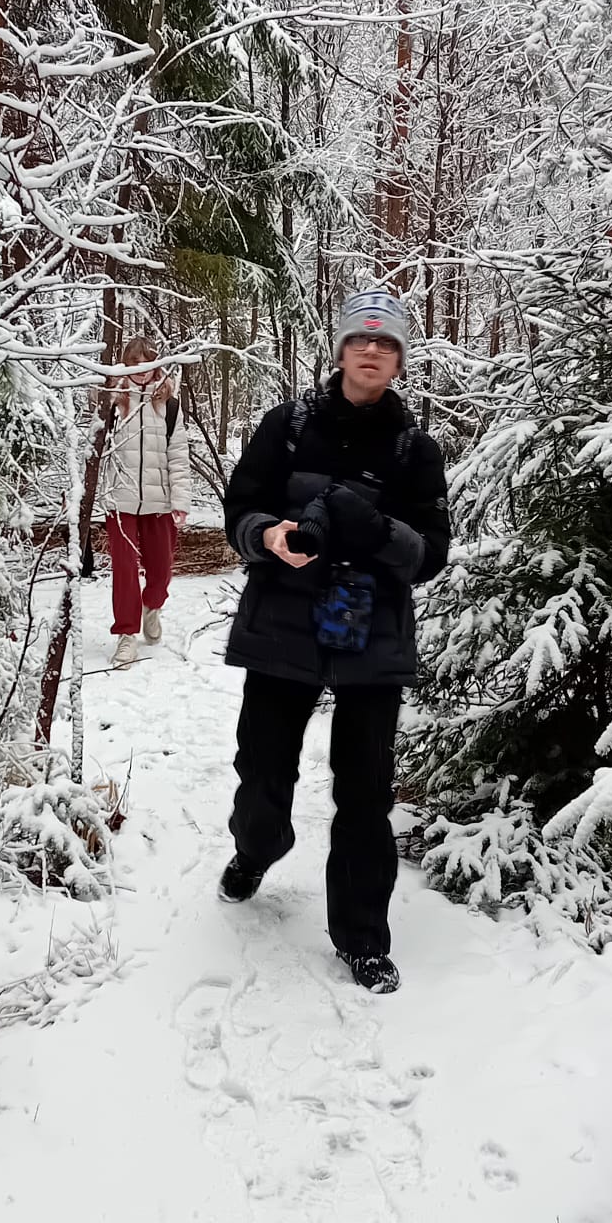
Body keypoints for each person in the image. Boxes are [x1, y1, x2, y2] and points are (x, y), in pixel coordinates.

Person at [218, 288, 450, 994]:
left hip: (372, 627)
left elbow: (432, 553)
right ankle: (257, 849)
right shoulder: (287, 426)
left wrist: (376, 531)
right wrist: (267, 536)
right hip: (283, 617)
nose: (372, 351)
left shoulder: (415, 450)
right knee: (263, 770)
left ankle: (363, 937)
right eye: (360, 339)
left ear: (400, 360)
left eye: (386, 343)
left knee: (365, 791)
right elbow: (241, 507)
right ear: (342, 351)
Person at [103, 338, 191, 670]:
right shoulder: (113, 400)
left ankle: (152, 606)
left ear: (157, 366)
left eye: (147, 362)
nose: (141, 369)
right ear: (125, 365)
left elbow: (178, 457)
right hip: (120, 501)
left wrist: (180, 500)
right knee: (124, 570)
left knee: (161, 569)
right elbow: (95, 449)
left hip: (159, 502)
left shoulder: (169, 405)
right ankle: (127, 635)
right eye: (134, 362)